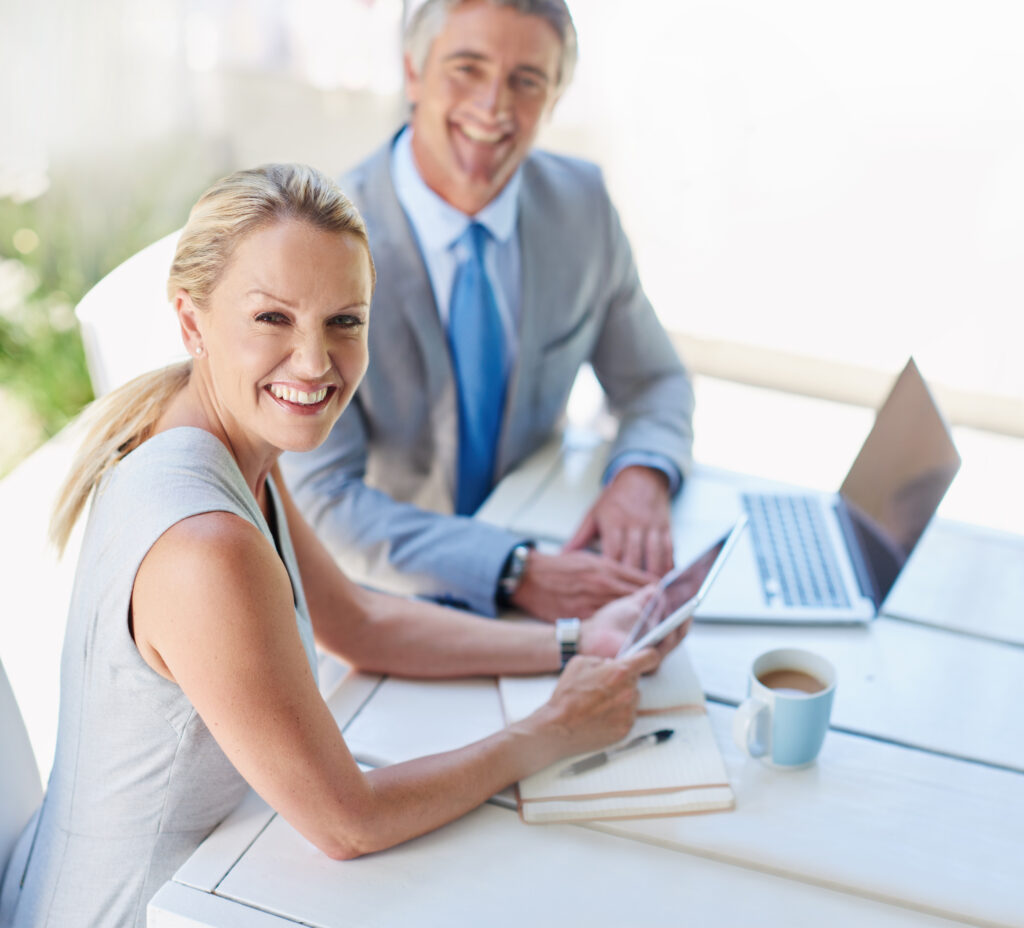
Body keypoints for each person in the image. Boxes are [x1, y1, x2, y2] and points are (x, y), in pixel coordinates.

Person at [0, 164, 684, 928]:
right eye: (272, 319)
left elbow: (359, 624)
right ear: (192, 322)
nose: (315, 362)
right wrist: (552, 731)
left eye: (343, 321)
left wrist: (573, 640)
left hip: (202, 883)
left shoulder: (219, 435)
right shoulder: (206, 549)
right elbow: (346, 822)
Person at [281, 0, 695, 622]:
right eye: (467, 68)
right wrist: (512, 569)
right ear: (413, 74)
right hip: (391, 595)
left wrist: (642, 474)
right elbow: (320, 499)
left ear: (554, 98)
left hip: (557, 546)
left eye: (527, 81)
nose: (494, 107)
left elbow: (654, 381)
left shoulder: (581, 208)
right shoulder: (323, 244)